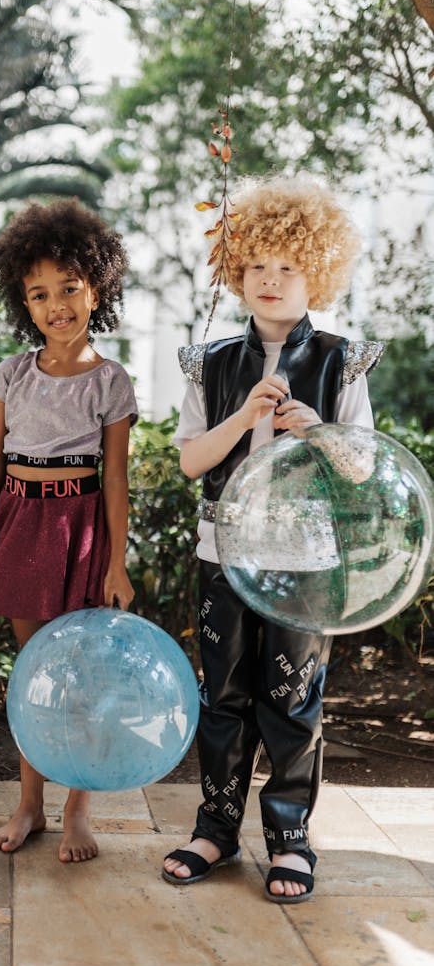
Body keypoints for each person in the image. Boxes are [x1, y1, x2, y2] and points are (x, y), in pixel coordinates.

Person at [162, 175, 384, 902]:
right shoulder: (212, 361)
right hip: (222, 556)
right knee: (221, 695)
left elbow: (361, 467)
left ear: (314, 273)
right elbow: (192, 457)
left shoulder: (341, 358)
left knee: (292, 697)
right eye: (256, 264)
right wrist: (242, 417)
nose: (270, 279)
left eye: (288, 267)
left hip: (304, 563)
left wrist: (315, 428)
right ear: (236, 269)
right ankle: (216, 827)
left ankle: (290, 836)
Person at [0, 198, 138, 863]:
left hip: (80, 527)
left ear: (98, 287)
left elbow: (116, 480)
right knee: (34, 672)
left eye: (69, 288)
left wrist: (116, 561)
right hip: (20, 521)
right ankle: (30, 802)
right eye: (39, 294)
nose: (56, 304)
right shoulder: (12, 373)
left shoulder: (111, 381)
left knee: (83, 673)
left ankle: (78, 808)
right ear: (22, 303)